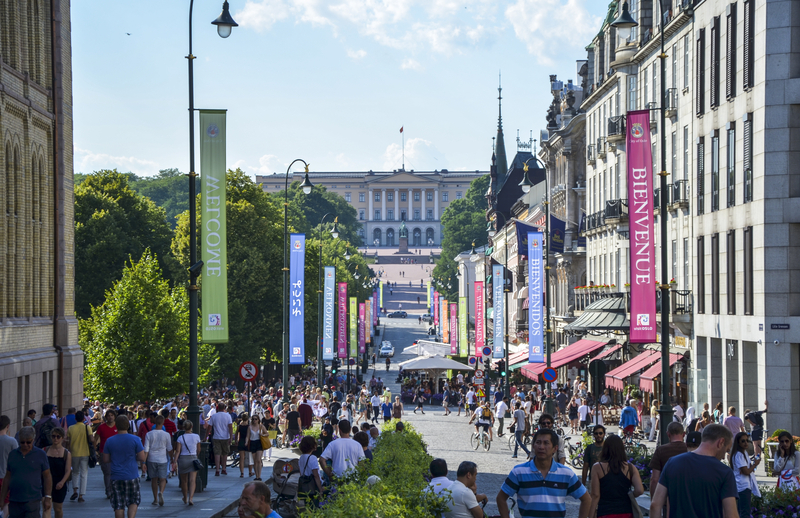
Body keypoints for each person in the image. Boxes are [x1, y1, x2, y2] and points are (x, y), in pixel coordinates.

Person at [497, 429, 591, 518]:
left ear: (555, 449)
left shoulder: (566, 474)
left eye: (546, 443)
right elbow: (501, 498)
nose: (541, 447)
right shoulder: (519, 472)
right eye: (538, 442)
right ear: (533, 446)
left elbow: (586, 499)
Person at [650, 424, 738, 518]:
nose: (724, 456)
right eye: (726, 450)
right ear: (721, 442)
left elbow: (655, 505)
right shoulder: (724, 472)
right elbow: (731, 515)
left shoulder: (672, 463)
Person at [588, 434, 644, 518]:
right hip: (626, 511)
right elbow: (639, 490)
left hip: (605, 511)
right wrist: (630, 496)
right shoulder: (630, 467)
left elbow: (595, 495)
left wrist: (590, 515)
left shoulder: (597, 467)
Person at [0, 426, 52, 518]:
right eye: (22, 442)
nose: (25, 445)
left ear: (33, 440)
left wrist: (48, 497)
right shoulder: (13, 454)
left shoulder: (40, 454)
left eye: (28, 442)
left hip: (32, 499)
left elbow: (47, 476)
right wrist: (2, 498)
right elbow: (7, 477)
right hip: (15, 499)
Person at [104, 416, 146, 518]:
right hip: (131, 475)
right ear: (128, 425)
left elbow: (105, 459)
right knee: (133, 500)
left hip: (116, 476)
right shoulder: (135, 439)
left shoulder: (109, 441)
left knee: (118, 504)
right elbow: (142, 457)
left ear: (116, 425)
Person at [649, 422, 687, 499]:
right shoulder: (689, 449)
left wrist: (654, 500)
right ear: (684, 434)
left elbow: (655, 479)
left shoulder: (661, 450)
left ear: (668, 434)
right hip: (687, 495)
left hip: (667, 496)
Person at [143, 415, 173, 506]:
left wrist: (144, 462)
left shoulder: (149, 434)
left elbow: (146, 449)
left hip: (152, 459)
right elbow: (169, 448)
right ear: (163, 423)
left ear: (155, 423)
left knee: (154, 479)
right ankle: (161, 492)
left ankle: (155, 498)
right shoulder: (166, 435)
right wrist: (172, 459)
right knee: (163, 478)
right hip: (162, 459)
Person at [730, 431, 761, 517]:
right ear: (738, 442)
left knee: (743, 511)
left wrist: (753, 464)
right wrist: (755, 464)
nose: (746, 443)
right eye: (743, 441)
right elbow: (746, 471)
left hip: (745, 485)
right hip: (742, 486)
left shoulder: (744, 453)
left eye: (747, 440)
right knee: (744, 512)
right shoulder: (738, 455)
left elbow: (749, 469)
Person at [43, 426, 70, 518]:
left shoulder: (66, 453)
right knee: (46, 508)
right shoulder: (45, 450)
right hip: (46, 482)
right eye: (54, 436)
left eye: (58, 437)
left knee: (58, 509)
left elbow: (67, 471)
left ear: (62, 438)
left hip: (59, 483)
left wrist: (62, 482)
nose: (55, 439)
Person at [66, 410, 92, 503]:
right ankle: (81, 495)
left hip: (74, 453)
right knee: (84, 474)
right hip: (85, 452)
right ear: (84, 418)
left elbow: (68, 442)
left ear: (75, 418)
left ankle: (75, 490)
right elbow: (92, 439)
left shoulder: (70, 428)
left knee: (75, 472)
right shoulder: (87, 427)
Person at [173, 420, 201, 505]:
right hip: (193, 458)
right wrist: (196, 455)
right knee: (192, 480)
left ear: (184, 427)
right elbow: (198, 449)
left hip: (183, 459)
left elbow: (178, 451)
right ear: (191, 427)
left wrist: (175, 461)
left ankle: (185, 497)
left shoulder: (180, 438)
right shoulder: (196, 436)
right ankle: (191, 498)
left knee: (184, 481)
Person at [95, 409, 118, 499]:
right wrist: (94, 451)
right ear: (106, 417)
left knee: (116, 472)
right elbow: (96, 438)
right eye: (108, 415)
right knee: (107, 472)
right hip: (104, 453)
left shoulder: (118, 426)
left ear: (114, 416)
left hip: (117, 453)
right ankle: (108, 490)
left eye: (112, 415)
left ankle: (115, 489)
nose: (110, 417)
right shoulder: (101, 427)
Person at [208, 403, 233, 476]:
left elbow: (209, 427)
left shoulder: (214, 416)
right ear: (224, 408)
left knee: (217, 453)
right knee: (225, 453)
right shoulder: (228, 416)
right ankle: (224, 468)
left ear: (217, 408)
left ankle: (217, 469)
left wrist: (206, 436)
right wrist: (231, 437)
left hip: (216, 437)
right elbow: (230, 427)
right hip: (226, 437)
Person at [246, 415, 267, 481]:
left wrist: (262, 434)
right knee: (255, 461)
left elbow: (267, 433)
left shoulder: (261, 426)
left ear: (258, 420)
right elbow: (248, 436)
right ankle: (257, 476)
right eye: (253, 419)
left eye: (256, 419)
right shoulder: (250, 427)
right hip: (252, 443)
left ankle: (259, 475)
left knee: (258, 460)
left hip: (259, 443)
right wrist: (246, 442)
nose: (254, 420)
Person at [236, 413, 252, 478]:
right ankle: (250, 472)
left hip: (241, 441)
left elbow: (236, 434)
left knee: (241, 458)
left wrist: (236, 441)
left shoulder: (239, 426)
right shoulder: (249, 426)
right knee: (249, 458)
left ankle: (242, 473)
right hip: (248, 442)